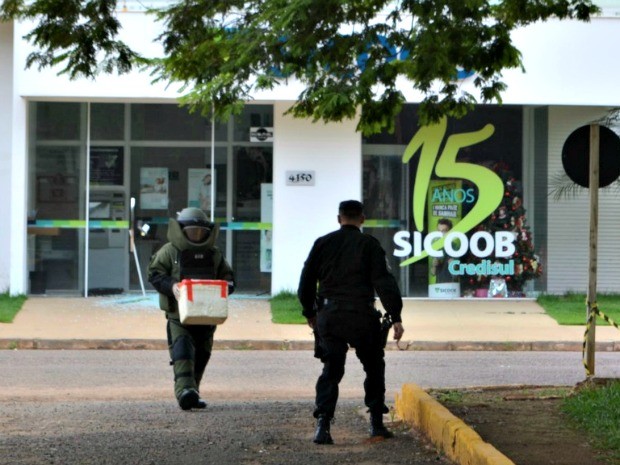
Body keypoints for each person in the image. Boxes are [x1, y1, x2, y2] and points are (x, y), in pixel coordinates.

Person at [297, 200, 404, 445]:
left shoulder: (322, 243)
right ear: (362, 219)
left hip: (330, 316)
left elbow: (305, 281)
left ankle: (323, 425)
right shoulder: (370, 245)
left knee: (331, 370)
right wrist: (395, 316)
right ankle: (376, 423)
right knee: (374, 366)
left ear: (339, 218)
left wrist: (310, 313)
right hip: (362, 317)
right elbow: (384, 282)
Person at [148, 207, 235, 410]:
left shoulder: (214, 254)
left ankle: (193, 390)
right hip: (179, 316)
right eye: (191, 231)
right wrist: (172, 286)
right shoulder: (170, 251)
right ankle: (184, 391)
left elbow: (228, 277)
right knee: (182, 351)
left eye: (200, 232)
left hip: (207, 315)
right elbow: (154, 273)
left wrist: (226, 286)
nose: (196, 235)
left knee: (202, 354)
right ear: (181, 230)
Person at [431, 218, 456, 284]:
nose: (441, 234)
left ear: (450, 232)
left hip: (452, 288)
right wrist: (434, 265)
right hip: (439, 287)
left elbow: (457, 275)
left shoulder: (456, 247)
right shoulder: (435, 247)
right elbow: (433, 273)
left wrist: (453, 266)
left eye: (444, 231)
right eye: (439, 231)